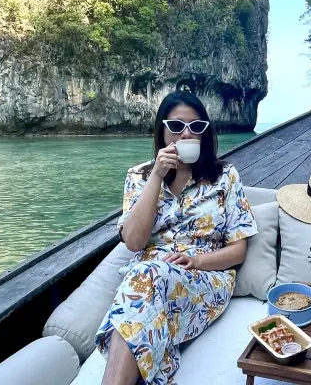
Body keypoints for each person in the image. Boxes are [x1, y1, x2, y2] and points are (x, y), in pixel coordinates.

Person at [96, 90, 257, 385]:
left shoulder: (225, 177)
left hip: (205, 278)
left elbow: (238, 251)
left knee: (143, 285)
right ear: (162, 130)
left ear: (204, 135)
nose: (185, 135)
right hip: (146, 279)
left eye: (195, 127)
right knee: (146, 279)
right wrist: (157, 176)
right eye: (176, 126)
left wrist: (195, 261)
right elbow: (133, 242)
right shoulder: (139, 176)